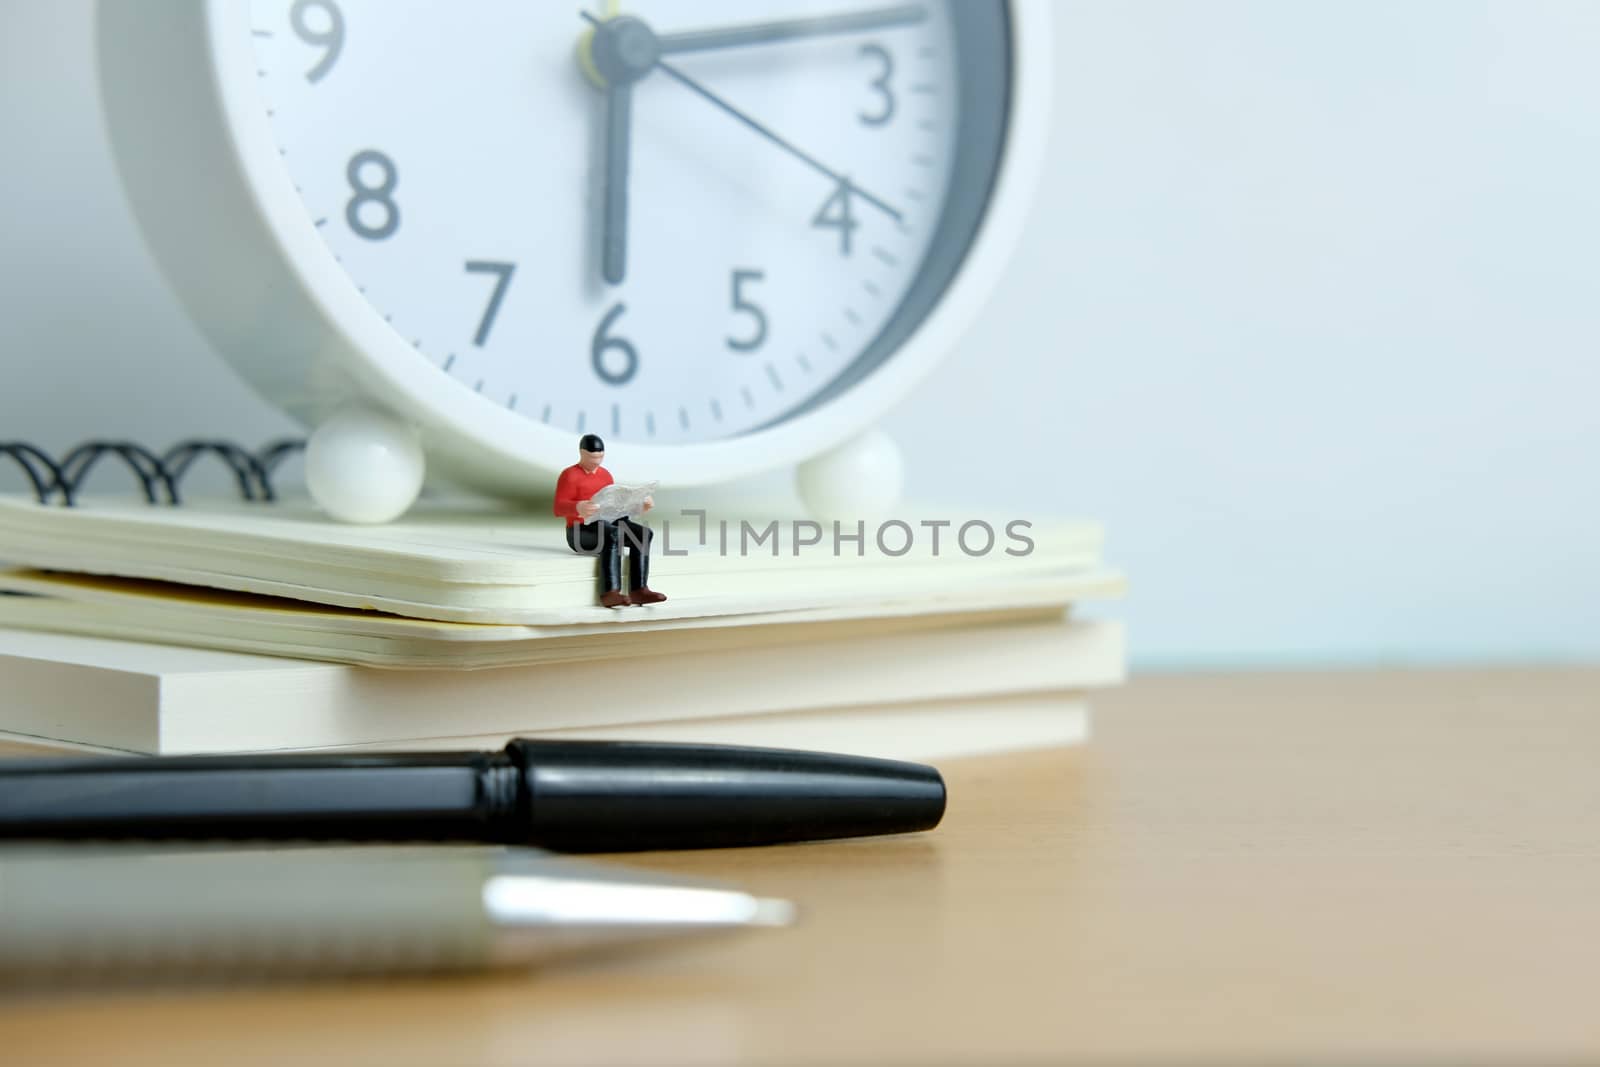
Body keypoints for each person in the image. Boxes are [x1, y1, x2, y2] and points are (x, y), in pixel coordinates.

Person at [552, 434, 667, 608]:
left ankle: (639, 589)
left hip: (607, 522)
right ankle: (610, 592)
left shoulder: (605, 475)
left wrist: (639, 505)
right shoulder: (569, 475)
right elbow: (558, 508)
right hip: (580, 530)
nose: (596, 462)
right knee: (612, 534)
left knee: (643, 534)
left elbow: (615, 506)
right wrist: (578, 507)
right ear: (582, 453)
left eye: (600, 457)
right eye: (592, 458)